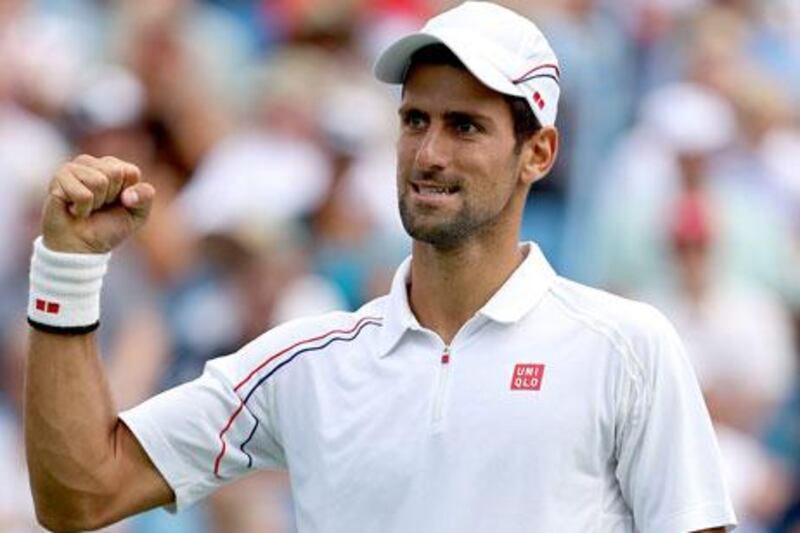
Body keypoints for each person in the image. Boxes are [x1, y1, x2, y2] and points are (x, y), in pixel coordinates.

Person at [24, 2, 736, 532]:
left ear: (538, 154)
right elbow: (81, 490)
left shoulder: (626, 348)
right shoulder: (305, 362)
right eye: (415, 120)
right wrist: (67, 271)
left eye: (465, 126)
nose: (429, 153)